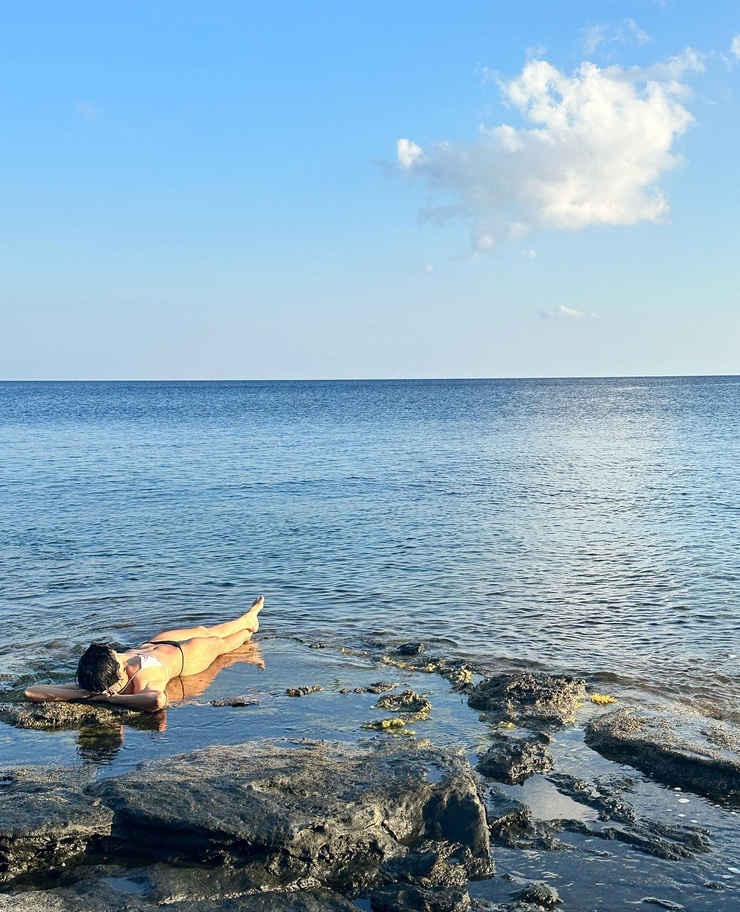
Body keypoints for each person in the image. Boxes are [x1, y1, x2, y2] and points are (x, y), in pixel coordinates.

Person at [24, 596, 264, 713]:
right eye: (110, 653)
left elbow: (31, 691)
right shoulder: (135, 683)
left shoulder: (99, 674)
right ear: (114, 671)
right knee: (222, 643)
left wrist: (85, 692)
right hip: (187, 656)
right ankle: (248, 629)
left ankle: (247, 618)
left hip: (155, 643)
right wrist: (107, 698)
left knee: (206, 629)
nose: (112, 650)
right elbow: (157, 700)